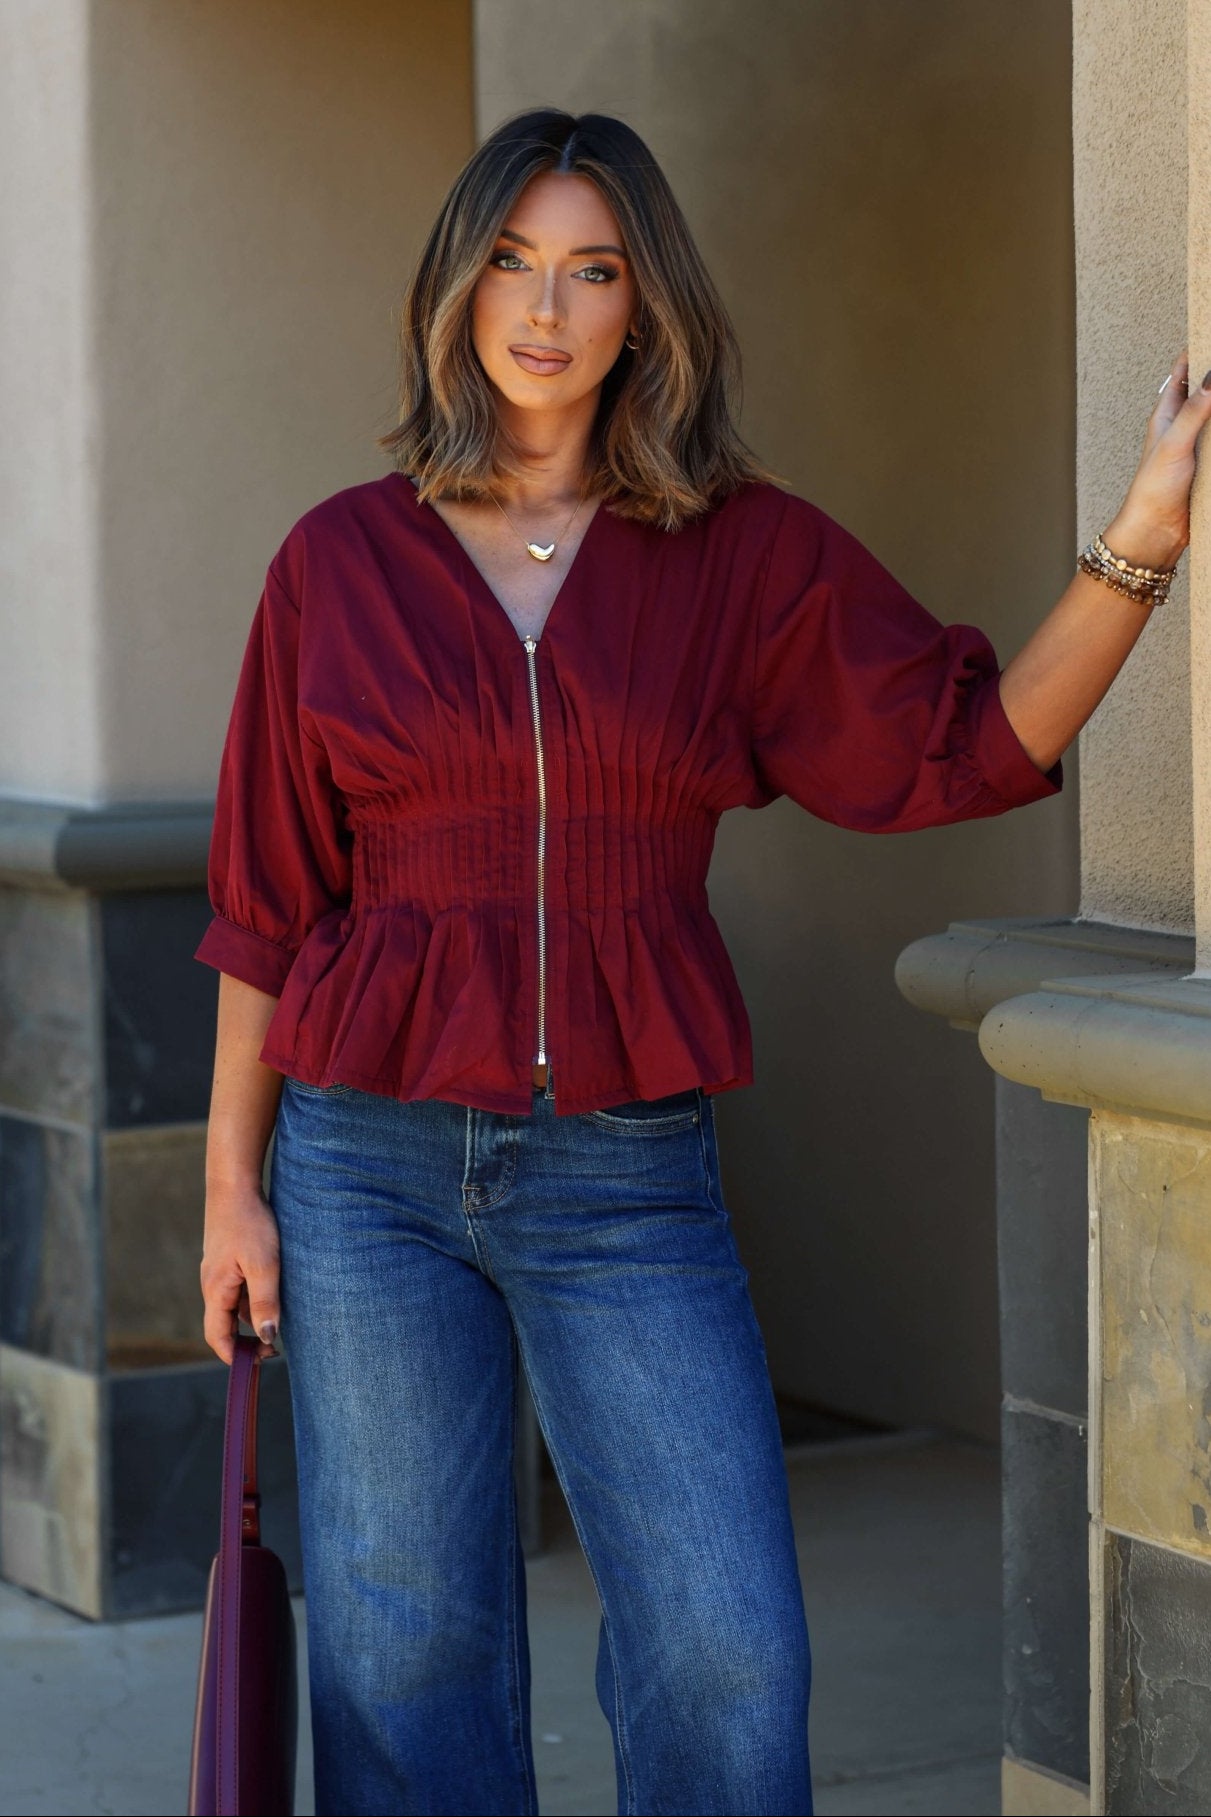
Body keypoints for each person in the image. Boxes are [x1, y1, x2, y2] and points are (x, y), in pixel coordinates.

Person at [195, 107, 1210, 1817]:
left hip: (623, 1172)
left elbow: (966, 744)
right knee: (405, 1653)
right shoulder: (336, 564)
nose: (545, 307)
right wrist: (233, 1184)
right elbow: (266, 906)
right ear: (456, 286)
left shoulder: (738, 555)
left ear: (645, 306)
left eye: (593, 270)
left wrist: (1143, 545)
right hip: (363, 1164)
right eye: (512, 261)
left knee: (724, 1648)